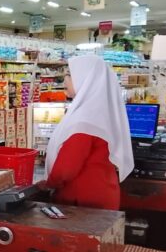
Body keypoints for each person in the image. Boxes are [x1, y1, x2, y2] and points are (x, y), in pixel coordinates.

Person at [44, 54, 134, 210]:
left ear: (86, 79)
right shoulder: (98, 111)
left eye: (69, 74)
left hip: (84, 203)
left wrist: (48, 184)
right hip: (100, 193)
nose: (64, 80)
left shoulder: (85, 120)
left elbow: (66, 168)